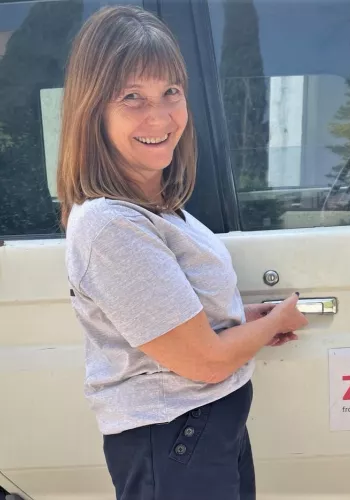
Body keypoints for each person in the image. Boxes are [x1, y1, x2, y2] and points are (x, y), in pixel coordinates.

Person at [57, 6, 308, 500]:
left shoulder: (153, 208)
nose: (160, 116)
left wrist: (239, 320)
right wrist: (277, 322)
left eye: (171, 91)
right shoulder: (111, 225)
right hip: (176, 437)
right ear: (93, 109)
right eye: (132, 97)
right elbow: (205, 362)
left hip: (198, 431)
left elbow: (182, 329)